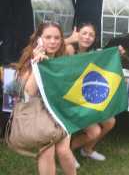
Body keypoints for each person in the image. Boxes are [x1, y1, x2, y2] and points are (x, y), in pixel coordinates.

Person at [16, 22, 77, 175]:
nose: (53, 41)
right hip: (39, 113)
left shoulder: (64, 57)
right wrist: (37, 64)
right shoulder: (30, 60)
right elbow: (29, 91)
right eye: (48, 37)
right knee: (47, 151)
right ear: (39, 39)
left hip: (60, 111)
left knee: (63, 150)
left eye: (57, 38)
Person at [65, 22, 117, 162]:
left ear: (94, 38)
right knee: (95, 131)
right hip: (70, 102)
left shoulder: (94, 54)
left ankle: (86, 150)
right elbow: (50, 47)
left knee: (110, 122)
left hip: (86, 100)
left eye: (91, 35)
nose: (87, 37)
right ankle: (67, 152)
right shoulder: (69, 49)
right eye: (84, 33)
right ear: (78, 34)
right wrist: (70, 39)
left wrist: (117, 54)